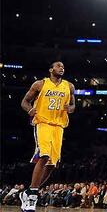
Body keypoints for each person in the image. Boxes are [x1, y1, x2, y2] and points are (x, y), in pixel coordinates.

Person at [20, 61, 75, 212]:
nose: (61, 68)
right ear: (51, 69)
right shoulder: (40, 84)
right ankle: (32, 195)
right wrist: (30, 110)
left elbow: (73, 105)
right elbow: (24, 102)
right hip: (43, 123)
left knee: (52, 165)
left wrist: (69, 108)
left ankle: (30, 190)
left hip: (59, 126)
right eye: (58, 66)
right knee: (43, 155)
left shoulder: (69, 86)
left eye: (63, 66)